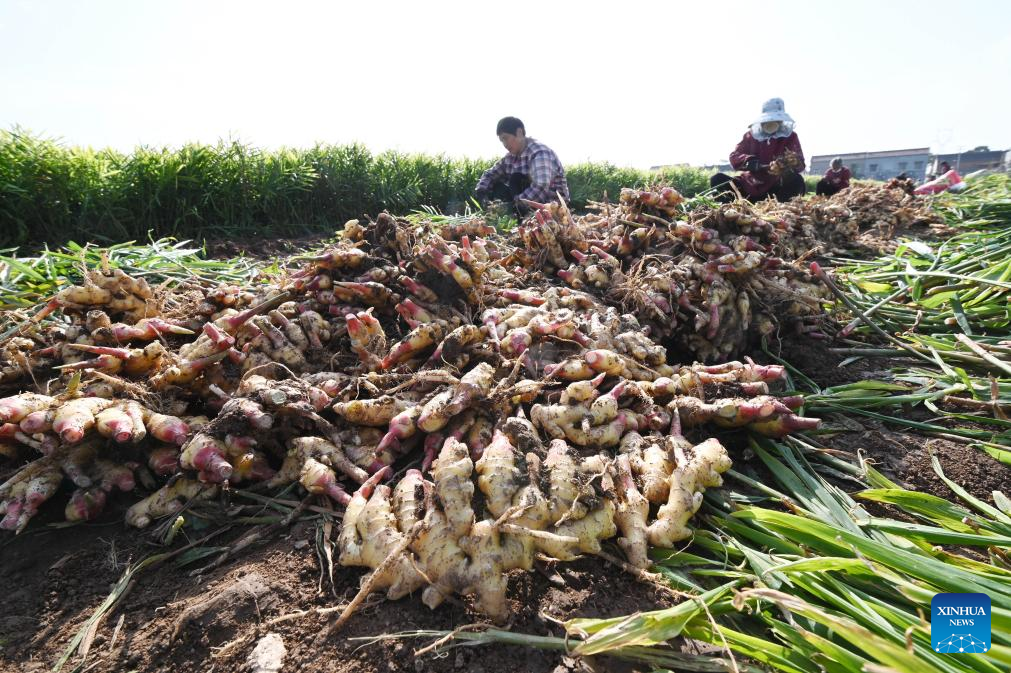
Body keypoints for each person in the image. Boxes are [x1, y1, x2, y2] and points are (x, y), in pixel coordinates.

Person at [710, 98, 806, 203]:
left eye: (775, 120)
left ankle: (779, 211)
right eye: (768, 120)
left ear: (781, 121)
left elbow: (800, 164)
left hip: (775, 190)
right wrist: (749, 161)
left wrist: (794, 161)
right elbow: (734, 156)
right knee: (717, 179)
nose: (771, 123)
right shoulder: (750, 136)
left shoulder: (790, 137)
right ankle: (728, 212)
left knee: (797, 181)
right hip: (749, 187)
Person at [474, 117, 569, 216]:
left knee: (516, 177)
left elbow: (540, 187)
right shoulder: (510, 158)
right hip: (523, 204)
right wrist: (482, 192)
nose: (504, 144)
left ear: (519, 133)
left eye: (505, 138)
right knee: (497, 186)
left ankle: (516, 214)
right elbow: (490, 174)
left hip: (551, 209)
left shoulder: (540, 152)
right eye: (501, 141)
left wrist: (514, 206)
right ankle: (506, 214)